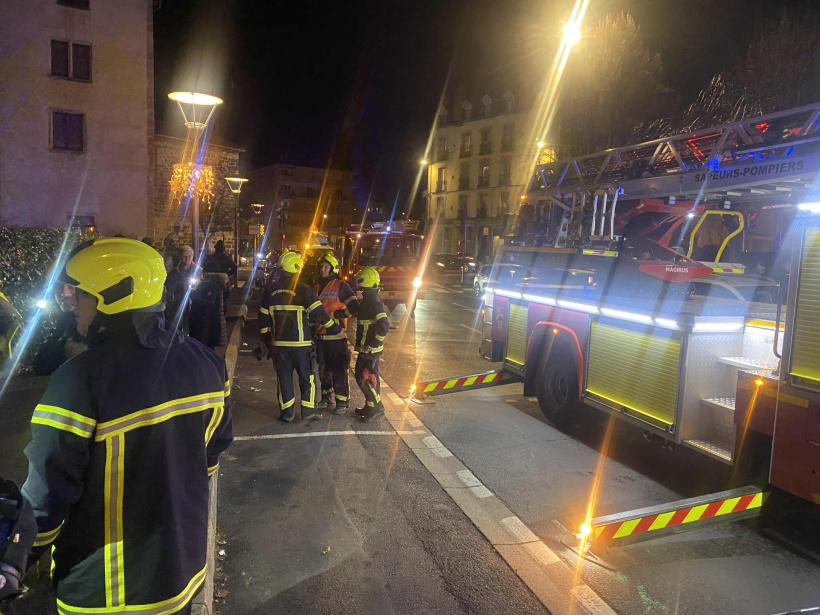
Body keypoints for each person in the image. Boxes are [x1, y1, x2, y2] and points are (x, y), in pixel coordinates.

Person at [21, 238, 232, 615]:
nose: (71, 305)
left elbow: (48, 491)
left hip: (107, 588)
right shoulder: (206, 364)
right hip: (182, 570)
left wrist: (18, 554)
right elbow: (209, 457)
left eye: (77, 294)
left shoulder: (79, 380)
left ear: (112, 297)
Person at [259, 251, 341, 422]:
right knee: (307, 378)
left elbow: (263, 320)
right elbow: (320, 314)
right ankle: (308, 412)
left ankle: (287, 414)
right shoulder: (303, 289)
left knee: (284, 379)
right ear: (296, 268)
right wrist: (335, 329)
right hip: (301, 346)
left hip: (280, 346)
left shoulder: (270, 290)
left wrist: (267, 342)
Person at [313, 253, 359, 414]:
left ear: (333, 269)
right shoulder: (317, 287)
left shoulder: (341, 286)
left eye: (326, 266)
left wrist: (336, 316)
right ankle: (326, 398)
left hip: (336, 338)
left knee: (339, 370)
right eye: (321, 266)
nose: (322, 269)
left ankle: (342, 401)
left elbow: (354, 307)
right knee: (323, 371)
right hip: (321, 337)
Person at [352, 267, 390, 422]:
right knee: (369, 376)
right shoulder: (369, 298)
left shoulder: (373, 300)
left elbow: (384, 324)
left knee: (364, 376)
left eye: (360, 281)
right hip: (367, 347)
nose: (358, 284)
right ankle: (370, 405)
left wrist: (374, 343)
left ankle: (376, 407)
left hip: (370, 349)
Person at [32, 282, 88, 376]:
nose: (64, 293)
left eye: (71, 286)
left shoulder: (93, 320)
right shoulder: (65, 318)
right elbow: (40, 365)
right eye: (59, 285)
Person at [164, 250, 188, 329]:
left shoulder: (176, 276)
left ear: (173, 262)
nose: (164, 260)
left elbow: (170, 293)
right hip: (166, 311)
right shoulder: (164, 274)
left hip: (172, 312)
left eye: (167, 259)